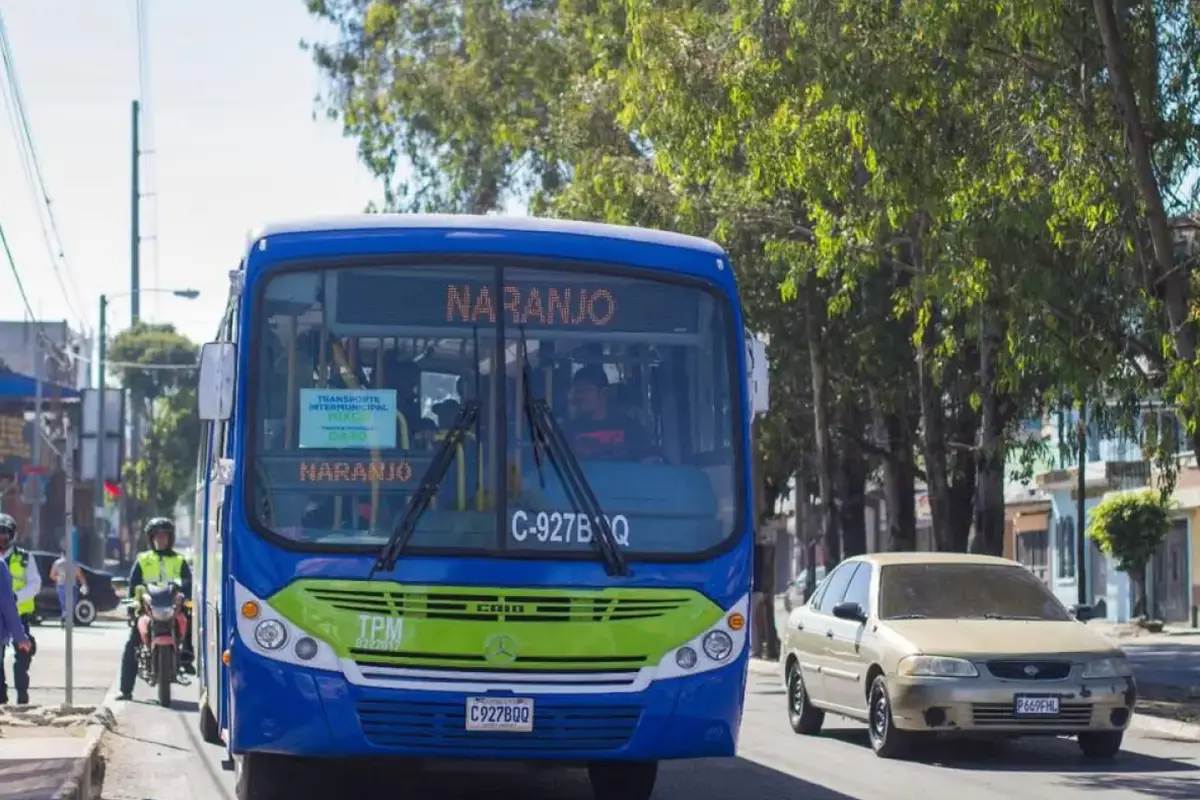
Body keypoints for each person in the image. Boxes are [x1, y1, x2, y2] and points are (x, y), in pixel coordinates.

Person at [118, 517, 195, 701]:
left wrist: (185, 596)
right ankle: (125, 689)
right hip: (148, 609)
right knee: (132, 644)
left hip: (172, 608)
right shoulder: (143, 559)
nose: (161, 540)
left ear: (170, 538)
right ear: (151, 539)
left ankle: (187, 657)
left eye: (164, 536)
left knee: (188, 624)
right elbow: (133, 584)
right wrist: (132, 604)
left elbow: (188, 582)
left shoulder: (179, 560)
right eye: (157, 536)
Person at [564, 365, 653, 461]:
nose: (579, 396)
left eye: (586, 390)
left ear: (604, 392)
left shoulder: (632, 428)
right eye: (577, 391)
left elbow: (647, 461)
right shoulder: (568, 431)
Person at [0, 513, 39, 705]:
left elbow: (35, 583)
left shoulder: (24, 558)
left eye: (4, 534)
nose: (1, 538)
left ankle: (22, 695)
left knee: (22, 659)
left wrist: (17, 596)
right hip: (4, 619)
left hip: (20, 617)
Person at [49, 549, 88, 624]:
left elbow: (51, 575)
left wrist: (57, 578)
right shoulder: (73, 563)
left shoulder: (57, 563)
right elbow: (80, 576)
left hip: (61, 586)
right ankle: (67, 618)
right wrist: (84, 585)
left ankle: (65, 617)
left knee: (63, 603)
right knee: (71, 604)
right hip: (71, 586)